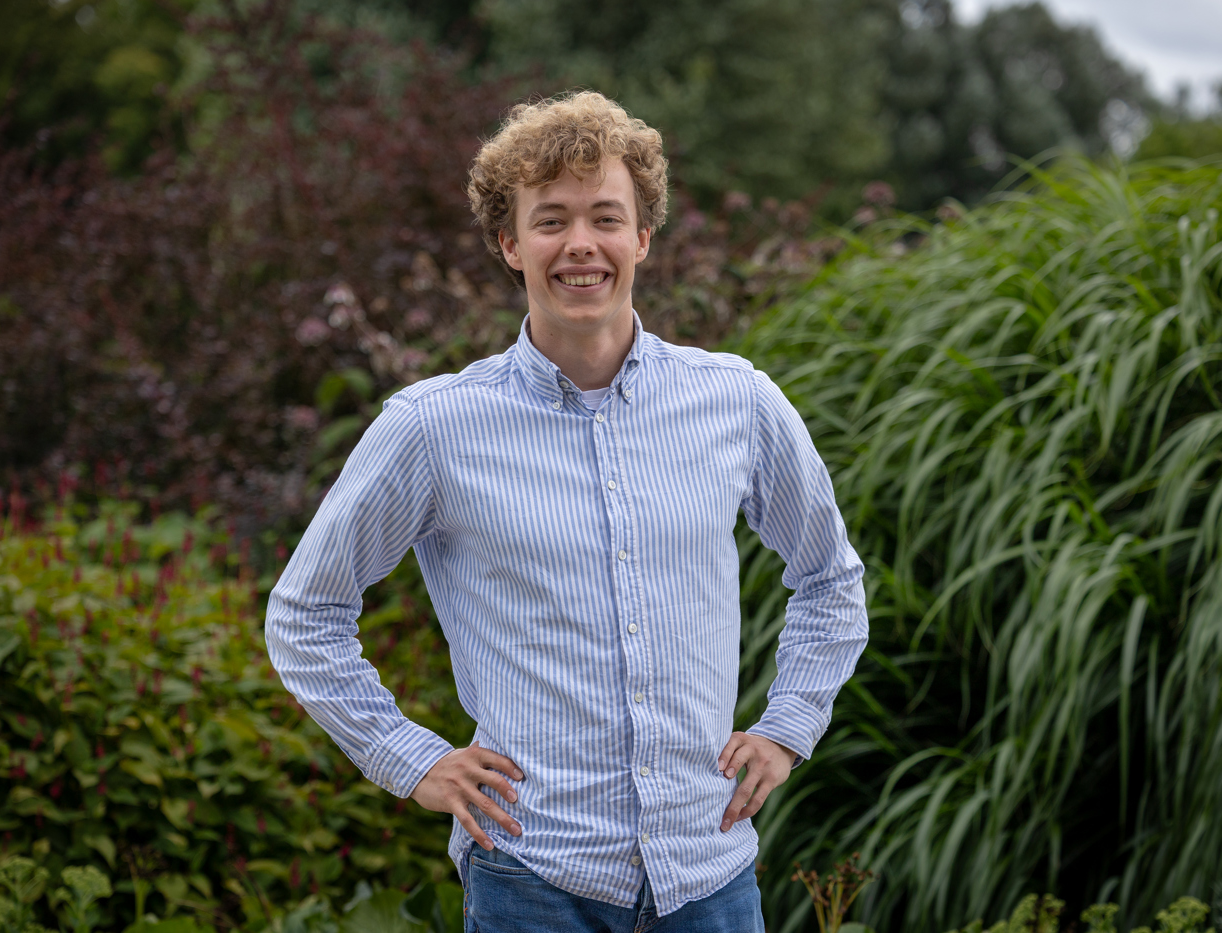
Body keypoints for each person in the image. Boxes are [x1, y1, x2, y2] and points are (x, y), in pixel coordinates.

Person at [265, 91, 868, 932]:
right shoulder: (433, 427)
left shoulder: (737, 401)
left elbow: (830, 578)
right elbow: (306, 613)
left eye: (605, 218)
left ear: (643, 236)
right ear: (510, 244)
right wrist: (412, 760)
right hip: (534, 878)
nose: (580, 245)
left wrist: (790, 724)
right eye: (550, 221)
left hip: (711, 877)